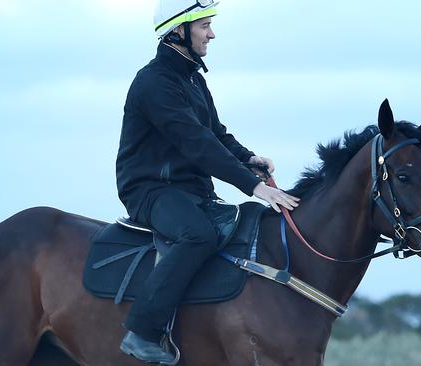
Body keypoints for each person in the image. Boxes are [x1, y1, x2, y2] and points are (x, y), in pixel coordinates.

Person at [115, 0, 299, 362]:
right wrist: (253, 185)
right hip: (149, 190)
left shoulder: (193, 78)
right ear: (178, 31)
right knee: (197, 234)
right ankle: (142, 332)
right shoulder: (153, 83)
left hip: (190, 190)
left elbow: (215, 134)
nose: (212, 34)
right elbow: (196, 144)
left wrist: (248, 157)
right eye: (204, 26)